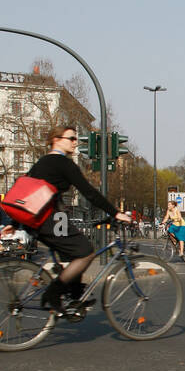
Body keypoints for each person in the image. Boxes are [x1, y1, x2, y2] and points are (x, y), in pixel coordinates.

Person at [23, 126, 133, 312]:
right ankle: (54, 291)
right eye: (71, 138)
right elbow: (89, 192)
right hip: (49, 219)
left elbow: (26, 193)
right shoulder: (63, 163)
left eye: (76, 138)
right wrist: (115, 212)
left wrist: (14, 223)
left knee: (75, 252)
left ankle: (75, 295)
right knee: (86, 252)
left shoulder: (42, 162)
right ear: (56, 139)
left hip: (43, 218)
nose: (75, 142)